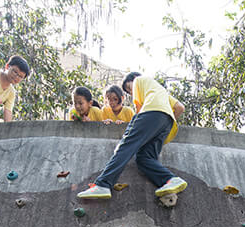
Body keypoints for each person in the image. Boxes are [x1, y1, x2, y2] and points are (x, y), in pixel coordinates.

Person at [76, 71, 187, 200]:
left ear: (133, 80)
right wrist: (160, 122)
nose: (131, 92)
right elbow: (180, 108)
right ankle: (170, 179)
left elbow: (138, 110)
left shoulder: (139, 80)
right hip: (167, 122)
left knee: (125, 147)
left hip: (150, 114)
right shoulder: (160, 91)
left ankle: (103, 184)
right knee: (144, 158)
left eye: (129, 89)